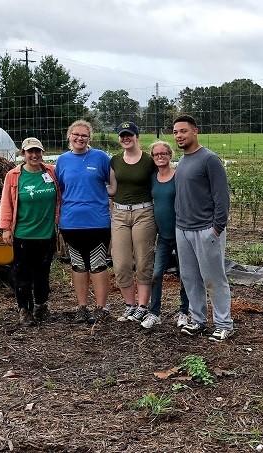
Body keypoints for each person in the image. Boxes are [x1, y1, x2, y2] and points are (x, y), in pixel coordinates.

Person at [173, 114, 234, 341]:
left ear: (195, 131)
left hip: (206, 229)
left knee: (213, 278)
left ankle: (223, 323)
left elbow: (221, 196)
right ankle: (197, 320)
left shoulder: (209, 159)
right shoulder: (183, 161)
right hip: (183, 229)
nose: (179, 135)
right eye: (176, 132)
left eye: (184, 131)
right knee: (190, 277)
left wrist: (217, 227)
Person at [55, 120, 113, 324]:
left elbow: (112, 184)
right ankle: (81, 307)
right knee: (78, 265)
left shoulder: (100, 157)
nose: (80, 138)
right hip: (71, 223)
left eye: (84, 135)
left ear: (90, 138)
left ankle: (101, 308)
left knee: (98, 265)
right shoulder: (62, 161)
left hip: (97, 222)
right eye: (76, 135)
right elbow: (61, 189)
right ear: (69, 136)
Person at [0, 137, 59, 326]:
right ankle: (24, 309)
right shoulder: (14, 176)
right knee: (23, 275)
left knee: (43, 273)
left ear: (42, 153)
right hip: (23, 234)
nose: (34, 155)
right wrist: (6, 228)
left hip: (47, 234)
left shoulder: (51, 172)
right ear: (23, 154)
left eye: (37, 151)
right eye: (30, 152)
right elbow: (6, 203)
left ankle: (41, 305)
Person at [108, 121, 157, 323]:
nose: (125, 138)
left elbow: (160, 181)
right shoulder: (115, 161)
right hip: (119, 214)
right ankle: (129, 304)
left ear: (137, 136)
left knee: (144, 260)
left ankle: (143, 306)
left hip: (143, 213)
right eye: (122, 135)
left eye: (129, 134)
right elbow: (112, 189)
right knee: (121, 263)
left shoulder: (148, 161)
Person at [140, 140, 190, 330]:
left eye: (164, 153)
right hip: (163, 236)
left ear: (170, 155)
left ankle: (184, 312)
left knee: (184, 274)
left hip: (181, 233)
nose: (160, 157)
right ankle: (154, 313)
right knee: (157, 273)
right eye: (156, 154)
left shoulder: (178, 176)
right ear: (152, 158)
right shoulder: (153, 178)